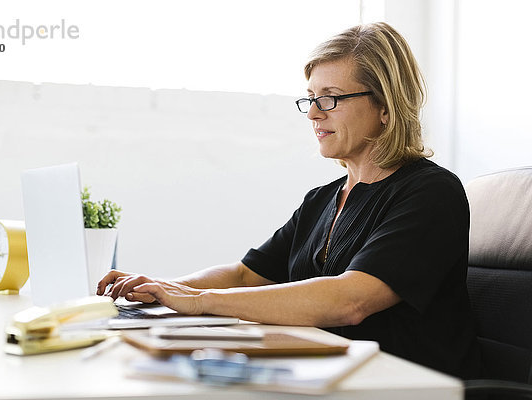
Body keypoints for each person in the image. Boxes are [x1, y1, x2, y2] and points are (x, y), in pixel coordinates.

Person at [97, 22, 480, 379]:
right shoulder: (321, 200)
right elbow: (246, 275)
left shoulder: (430, 192)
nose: (313, 113)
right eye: (311, 98)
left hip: (400, 383)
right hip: (327, 372)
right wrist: (163, 288)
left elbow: (352, 300)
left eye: (330, 99)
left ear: (385, 106)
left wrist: (200, 301)